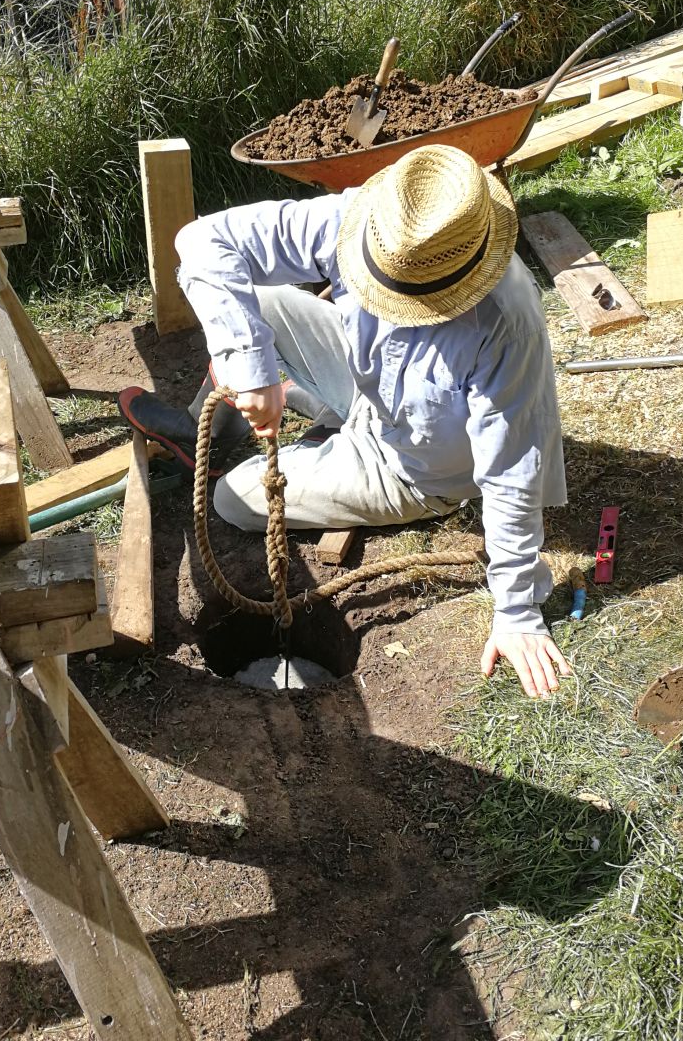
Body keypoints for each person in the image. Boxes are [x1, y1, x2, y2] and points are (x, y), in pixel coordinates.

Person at [119, 144, 572, 700]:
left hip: (415, 465)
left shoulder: (505, 324)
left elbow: (510, 471)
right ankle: (209, 431)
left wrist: (517, 611)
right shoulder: (374, 222)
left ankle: (324, 442)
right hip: (366, 389)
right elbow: (201, 242)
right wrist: (252, 370)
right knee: (258, 304)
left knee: (233, 501)